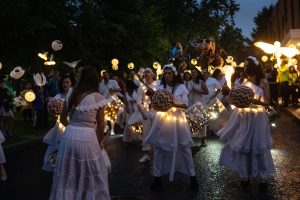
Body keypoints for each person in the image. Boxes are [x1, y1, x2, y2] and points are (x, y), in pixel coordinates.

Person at [49, 66, 110, 199]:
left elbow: (62, 118)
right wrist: (98, 143)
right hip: (88, 138)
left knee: (68, 173)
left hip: (69, 136)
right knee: (90, 173)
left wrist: (72, 128)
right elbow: (101, 126)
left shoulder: (71, 93)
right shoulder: (98, 98)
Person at [217, 56, 275, 188]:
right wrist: (230, 95)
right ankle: (244, 176)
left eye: (248, 66)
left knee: (258, 147)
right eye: (245, 66)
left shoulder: (263, 82)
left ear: (254, 67)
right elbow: (235, 99)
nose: (245, 68)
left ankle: (263, 178)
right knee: (243, 146)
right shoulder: (241, 82)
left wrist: (252, 101)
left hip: (258, 118)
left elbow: (266, 102)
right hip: (244, 117)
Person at [144, 64, 199, 191]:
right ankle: (157, 178)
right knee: (159, 149)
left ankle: (193, 177)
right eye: (166, 73)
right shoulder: (160, 86)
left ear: (174, 74)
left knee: (184, 148)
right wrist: (152, 96)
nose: (167, 75)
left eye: (170, 73)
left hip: (177, 121)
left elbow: (186, 105)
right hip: (162, 120)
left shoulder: (181, 87)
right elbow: (155, 104)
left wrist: (173, 103)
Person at [42, 75, 75, 172]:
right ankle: (57, 166)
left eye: (67, 82)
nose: (65, 84)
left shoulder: (74, 95)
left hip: (71, 124)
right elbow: (52, 111)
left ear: (72, 83)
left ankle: (71, 167)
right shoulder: (58, 96)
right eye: (63, 82)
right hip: (60, 125)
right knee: (58, 145)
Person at [136, 68, 157, 163]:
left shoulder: (158, 84)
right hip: (147, 112)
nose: (147, 74)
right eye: (145, 72)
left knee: (158, 131)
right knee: (146, 133)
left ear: (152, 74)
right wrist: (142, 112)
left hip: (157, 112)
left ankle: (157, 153)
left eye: (148, 72)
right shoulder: (141, 87)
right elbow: (138, 101)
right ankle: (146, 154)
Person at [187, 67, 208, 146]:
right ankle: (190, 139)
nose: (193, 74)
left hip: (199, 104)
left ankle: (203, 139)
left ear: (198, 73)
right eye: (192, 72)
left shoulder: (200, 82)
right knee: (190, 121)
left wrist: (197, 90)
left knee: (202, 121)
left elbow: (206, 92)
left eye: (195, 72)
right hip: (190, 103)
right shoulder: (188, 82)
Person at [99, 70, 121, 135]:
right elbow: (99, 93)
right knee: (105, 117)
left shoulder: (113, 82)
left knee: (112, 117)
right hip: (104, 102)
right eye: (104, 76)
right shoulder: (100, 84)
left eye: (106, 75)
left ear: (108, 75)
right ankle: (106, 127)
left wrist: (113, 90)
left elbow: (119, 89)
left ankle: (112, 130)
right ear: (102, 76)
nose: (105, 77)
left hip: (112, 101)